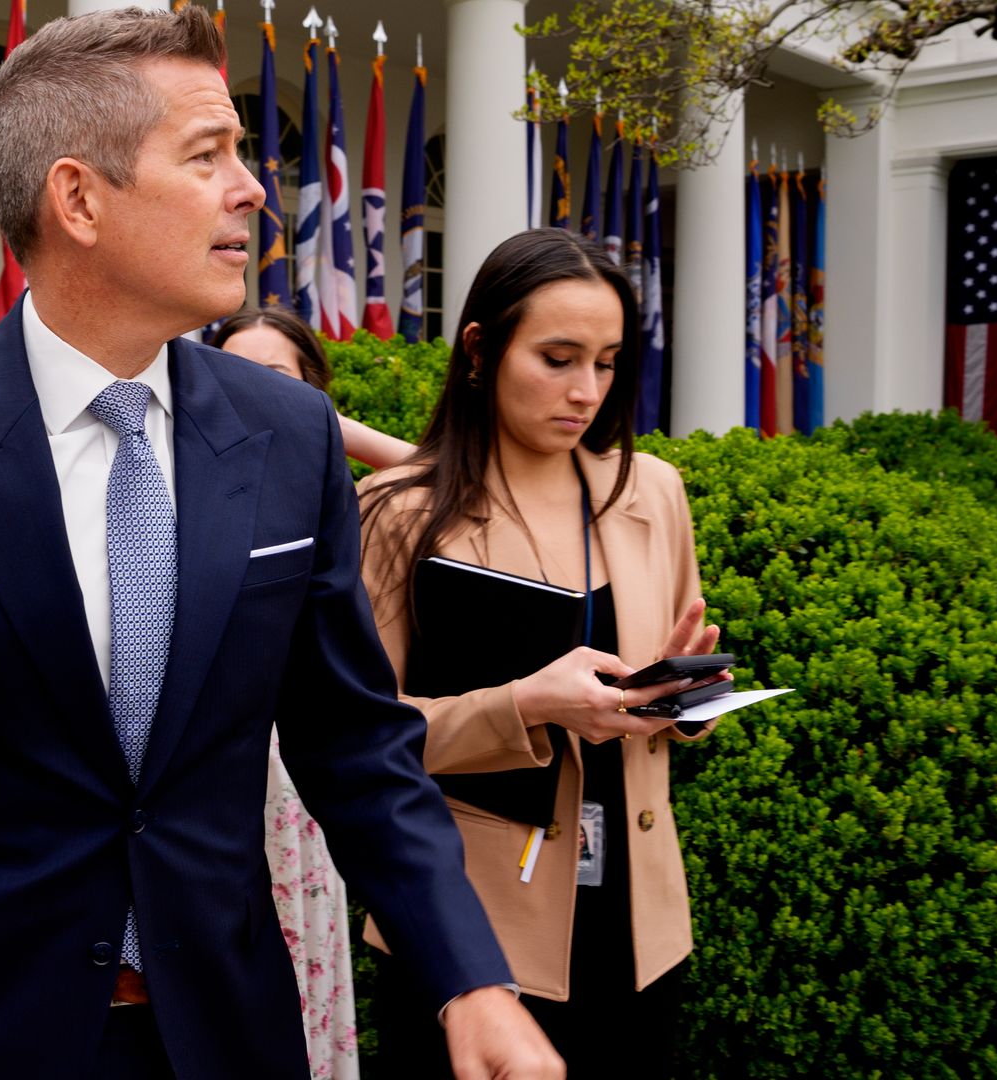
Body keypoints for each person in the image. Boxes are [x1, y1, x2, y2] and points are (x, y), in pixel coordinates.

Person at [0, 8, 560, 1079]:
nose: (252, 190)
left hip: (225, 1029)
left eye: (243, 153)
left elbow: (353, 744)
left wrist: (469, 978)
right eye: (208, 155)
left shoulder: (288, 436)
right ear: (79, 198)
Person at [356, 228, 725, 1078]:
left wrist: (683, 699)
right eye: (557, 358)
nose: (586, 390)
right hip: (470, 932)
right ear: (481, 349)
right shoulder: (401, 513)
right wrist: (523, 705)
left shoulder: (651, 491)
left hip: (638, 925)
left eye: (605, 362)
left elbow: (676, 701)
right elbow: (362, 740)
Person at [212, 306, 416, 468]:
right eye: (235, 372)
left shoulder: (322, 462)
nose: (254, 389)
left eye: (273, 374)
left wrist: (331, 423)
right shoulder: (189, 450)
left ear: (308, 378)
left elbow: (438, 474)